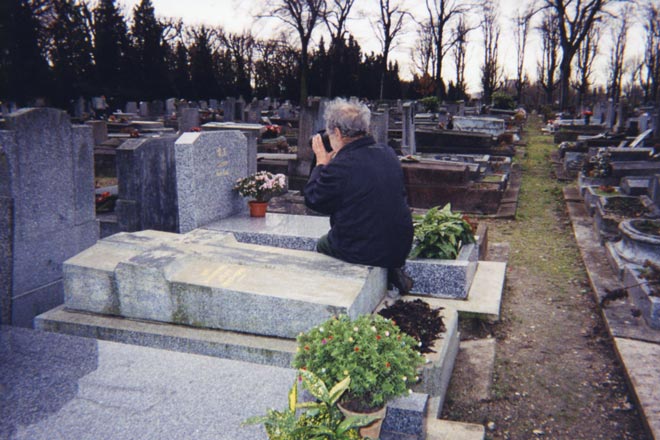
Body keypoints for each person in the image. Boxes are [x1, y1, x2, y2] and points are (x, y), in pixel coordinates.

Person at [304, 98, 414, 294]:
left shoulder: (342, 165)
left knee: (323, 243)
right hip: (399, 246)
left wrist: (321, 163)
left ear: (337, 133)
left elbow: (314, 200)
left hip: (363, 249)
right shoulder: (387, 153)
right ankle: (391, 271)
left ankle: (337, 292)